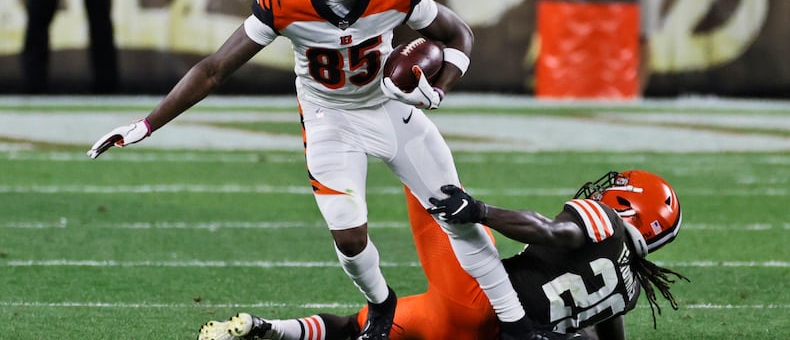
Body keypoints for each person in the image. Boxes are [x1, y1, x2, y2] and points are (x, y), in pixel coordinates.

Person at [86, 0, 544, 338]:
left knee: (457, 213)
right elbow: (214, 69)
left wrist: (439, 88)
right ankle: (381, 305)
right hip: (330, 117)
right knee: (348, 235)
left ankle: (519, 327)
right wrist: (145, 125)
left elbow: (457, 34)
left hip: (389, 107)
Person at [197, 169, 688, 340]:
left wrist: (480, 210)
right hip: (486, 331)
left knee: (428, 181)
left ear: (629, 209)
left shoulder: (603, 225)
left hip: (479, 295)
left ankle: (395, 96)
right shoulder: (627, 292)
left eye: (615, 192)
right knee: (367, 326)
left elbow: (550, 231)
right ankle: (266, 329)